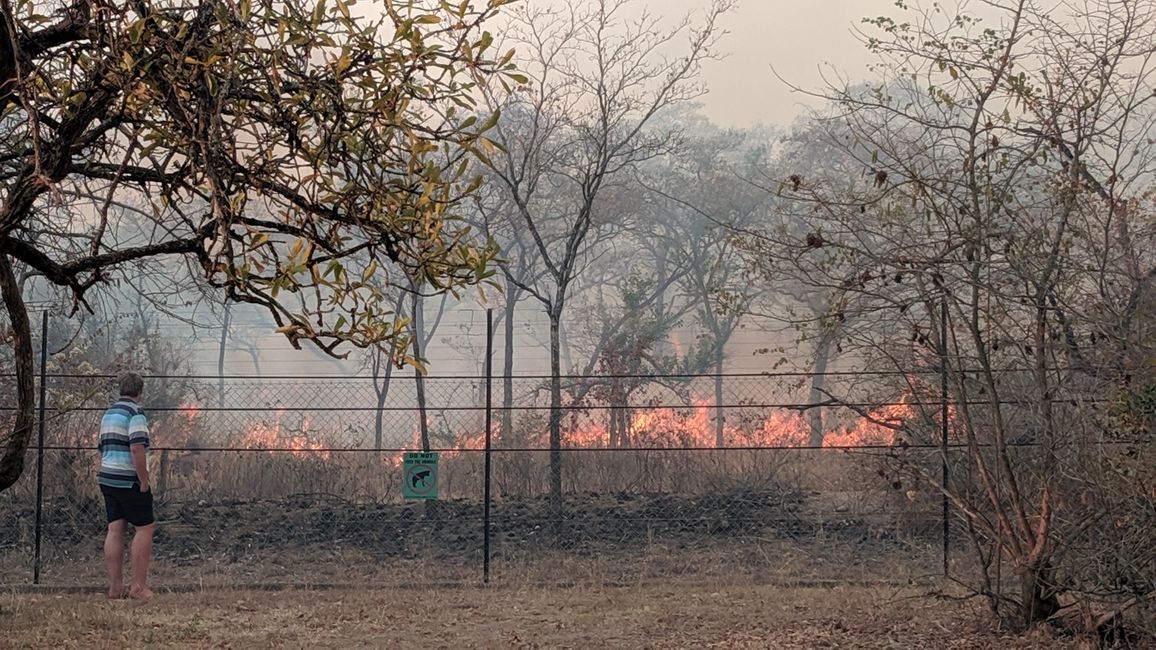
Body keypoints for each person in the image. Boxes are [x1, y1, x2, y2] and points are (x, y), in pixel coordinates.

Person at [97, 371, 155, 601]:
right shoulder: (135, 414)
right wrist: (143, 479)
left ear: (121, 390)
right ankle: (138, 587)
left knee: (115, 528)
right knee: (145, 528)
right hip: (128, 479)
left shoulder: (108, 413)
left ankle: (115, 588)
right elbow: (137, 448)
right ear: (140, 392)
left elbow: (101, 447)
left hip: (107, 477)